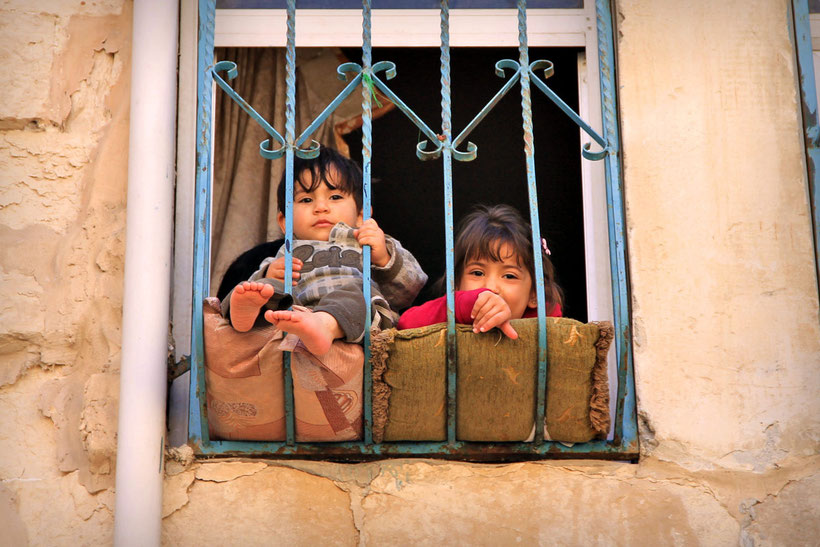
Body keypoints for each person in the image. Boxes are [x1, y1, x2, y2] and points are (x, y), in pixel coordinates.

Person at [222, 147, 427, 355]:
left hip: (358, 322)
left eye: (335, 197)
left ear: (361, 214)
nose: (321, 207)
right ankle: (243, 315)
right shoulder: (287, 252)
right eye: (306, 200)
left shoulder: (369, 243)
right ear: (285, 222)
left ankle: (325, 325)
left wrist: (383, 257)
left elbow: (412, 287)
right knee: (257, 288)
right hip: (300, 315)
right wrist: (268, 275)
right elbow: (268, 285)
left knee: (359, 293)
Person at [397, 204, 562, 339]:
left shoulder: (545, 327)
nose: (490, 287)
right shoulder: (448, 313)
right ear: (457, 282)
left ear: (534, 294)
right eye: (477, 273)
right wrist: (461, 306)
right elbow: (405, 326)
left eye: (509, 276)